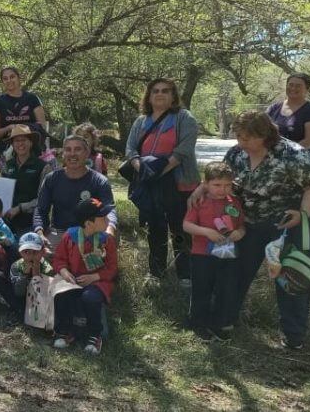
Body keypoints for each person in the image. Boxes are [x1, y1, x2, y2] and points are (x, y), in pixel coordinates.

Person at [190, 111, 310, 349]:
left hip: (291, 223)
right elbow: (221, 177)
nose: (241, 142)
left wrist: (303, 213)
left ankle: (294, 336)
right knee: (235, 272)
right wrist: (201, 190)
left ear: (264, 135)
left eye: (246, 138)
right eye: (238, 136)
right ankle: (224, 323)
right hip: (250, 224)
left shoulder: (291, 154)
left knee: (290, 277)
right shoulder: (236, 153)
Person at [124, 78, 200, 287]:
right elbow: (130, 149)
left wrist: (159, 171)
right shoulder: (141, 121)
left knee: (180, 229)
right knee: (156, 228)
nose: (160, 94)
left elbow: (184, 150)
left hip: (179, 183)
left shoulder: (184, 118)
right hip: (150, 183)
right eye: (155, 91)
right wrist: (141, 168)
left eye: (165, 91)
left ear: (173, 96)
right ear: (148, 96)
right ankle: (156, 272)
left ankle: (185, 273)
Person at [182, 162, 245, 341]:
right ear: (206, 184)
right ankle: (198, 323)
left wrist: (239, 233)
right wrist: (207, 232)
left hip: (228, 255)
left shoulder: (234, 202)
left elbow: (241, 225)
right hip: (202, 255)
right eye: (217, 185)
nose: (222, 189)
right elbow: (186, 225)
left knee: (225, 289)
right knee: (202, 289)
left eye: (227, 185)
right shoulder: (199, 202)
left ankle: (218, 323)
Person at [51, 198, 119, 354]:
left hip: (98, 282)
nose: (108, 220)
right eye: (103, 217)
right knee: (62, 296)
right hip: (72, 280)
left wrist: (94, 277)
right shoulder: (70, 236)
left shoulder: (107, 240)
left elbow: (112, 268)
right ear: (88, 223)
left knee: (91, 298)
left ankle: (95, 335)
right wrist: (64, 272)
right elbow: (59, 259)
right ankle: (65, 331)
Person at [35, 135, 117, 248]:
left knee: (96, 259)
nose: (72, 154)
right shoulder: (52, 179)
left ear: (87, 153)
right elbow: (40, 209)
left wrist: (110, 230)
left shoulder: (99, 181)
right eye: (68, 150)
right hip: (59, 233)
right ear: (63, 154)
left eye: (77, 149)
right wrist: (39, 232)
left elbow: (109, 210)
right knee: (41, 254)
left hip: (89, 232)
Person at [0, 125, 49, 235]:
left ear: (31, 143)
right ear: (12, 144)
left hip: (32, 222)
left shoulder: (43, 167)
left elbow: (44, 198)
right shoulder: (7, 165)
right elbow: (2, 193)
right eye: (17, 140)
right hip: (8, 221)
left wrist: (20, 208)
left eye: (24, 140)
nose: (20, 144)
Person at [266, 72, 310, 156]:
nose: (293, 88)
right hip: (273, 157)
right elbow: (261, 131)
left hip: (301, 160)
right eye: (290, 84)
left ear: (307, 89)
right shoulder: (273, 108)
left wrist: (285, 154)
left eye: (298, 86)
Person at [0, 66, 48, 144]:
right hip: (7, 150)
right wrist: (9, 128)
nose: (9, 80)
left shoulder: (33, 99)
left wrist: (23, 129)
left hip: (32, 149)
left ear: (19, 78)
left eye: (12, 77)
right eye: (5, 78)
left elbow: (42, 127)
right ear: (2, 82)